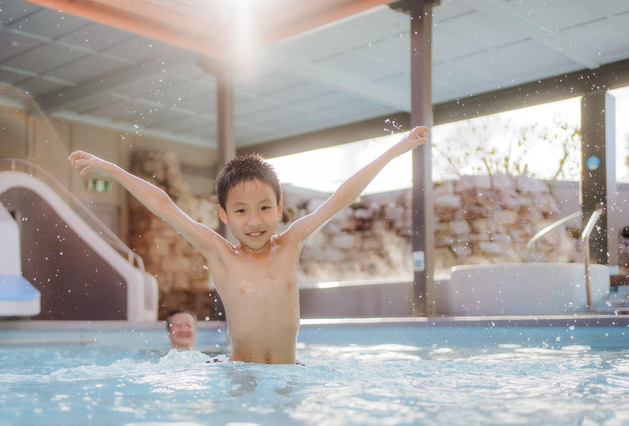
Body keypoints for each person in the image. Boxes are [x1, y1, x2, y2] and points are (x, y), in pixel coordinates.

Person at [70, 126, 429, 364]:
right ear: (224, 215)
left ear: (279, 207)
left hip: (291, 371)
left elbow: (342, 196)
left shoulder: (291, 244)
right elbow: (163, 205)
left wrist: (395, 151)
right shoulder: (220, 253)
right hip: (239, 375)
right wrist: (111, 169)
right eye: (241, 210)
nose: (254, 220)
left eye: (263, 208)